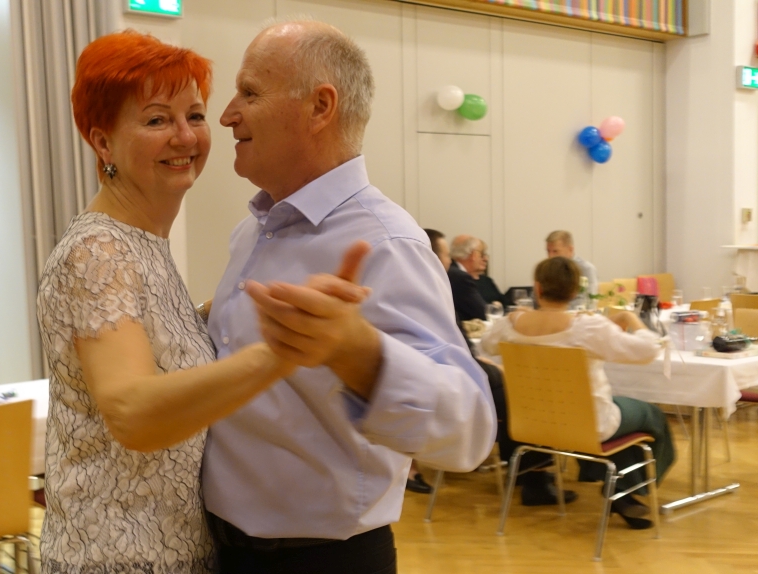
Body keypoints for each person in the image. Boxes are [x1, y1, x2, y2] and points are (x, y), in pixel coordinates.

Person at [35, 31, 368, 573]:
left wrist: (233, 308)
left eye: (194, 115)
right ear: (103, 143)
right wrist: (279, 353)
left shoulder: (142, 245)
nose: (186, 136)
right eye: (156, 120)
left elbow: (156, 343)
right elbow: (132, 413)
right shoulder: (98, 252)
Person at [206, 21, 496, 573]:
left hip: (323, 561)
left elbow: (471, 430)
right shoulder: (252, 232)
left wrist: (360, 354)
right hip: (223, 550)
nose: (227, 115)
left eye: (249, 93)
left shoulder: (387, 244)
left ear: (320, 107)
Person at [479, 256, 675, 529]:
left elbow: (486, 346)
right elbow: (649, 350)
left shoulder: (509, 325)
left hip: (531, 424)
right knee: (652, 416)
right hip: (587, 425)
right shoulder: (587, 327)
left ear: (537, 288)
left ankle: (618, 490)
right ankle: (623, 491)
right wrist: (630, 317)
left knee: (613, 412)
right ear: (574, 292)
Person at [428, 230, 575, 506]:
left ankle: (524, 470)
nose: (450, 260)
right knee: (530, 392)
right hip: (456, 384)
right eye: (447, 254)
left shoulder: (428, 291)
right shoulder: (439, 291)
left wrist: (482, 361)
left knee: (516, 386)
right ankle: (535, 479)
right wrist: (485, 365)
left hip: (445, 378)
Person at [546, 230, 598, 299]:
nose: (550, 256)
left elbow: (589, 300)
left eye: (555, 251)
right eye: (548, 251)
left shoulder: (586, 269)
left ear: (570, 250)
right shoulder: (547, 270)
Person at [448, 235, 488, 321]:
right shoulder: (460, 277)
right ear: (473, 255)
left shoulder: (451, 270)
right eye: (481, 254)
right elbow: (483, 312)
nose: (485, 258)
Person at [474, 240, 506, 307]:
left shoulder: (487, 280)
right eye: (481, 255)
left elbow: (505, 301)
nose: (486, 259)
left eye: (485, 255)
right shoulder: (463, 282)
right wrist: (493, 306)